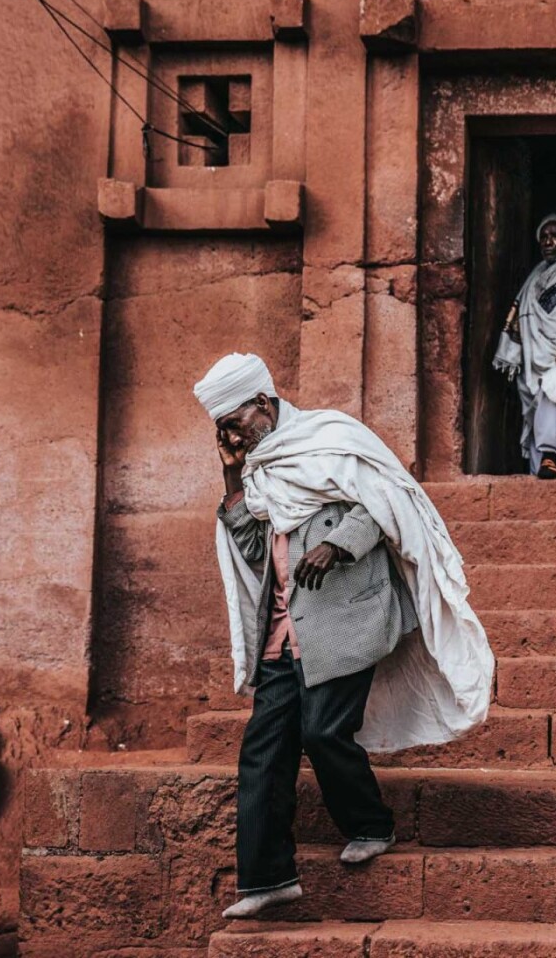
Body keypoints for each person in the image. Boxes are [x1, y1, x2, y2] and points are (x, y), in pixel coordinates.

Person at [193, 353, 494, 920]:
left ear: (263, 402)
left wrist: (339, 545)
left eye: (235, 422)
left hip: (348, 619)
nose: (231, 434)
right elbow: (255, 552)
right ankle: (265, 878)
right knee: (262, 749)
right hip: (283, 632)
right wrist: (233, 474)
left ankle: (371, 824)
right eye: (221, 430)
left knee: (324, 731)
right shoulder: (260, 472)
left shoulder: (331, 439)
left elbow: (384, 503)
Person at [492, 213, 556, 478]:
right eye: (544, 237)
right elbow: (519, 317)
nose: (548, 242)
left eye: (555, 236)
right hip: (534, 357)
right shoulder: (535, 277)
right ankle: (540, 474)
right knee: (536, 410)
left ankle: (551, 456)